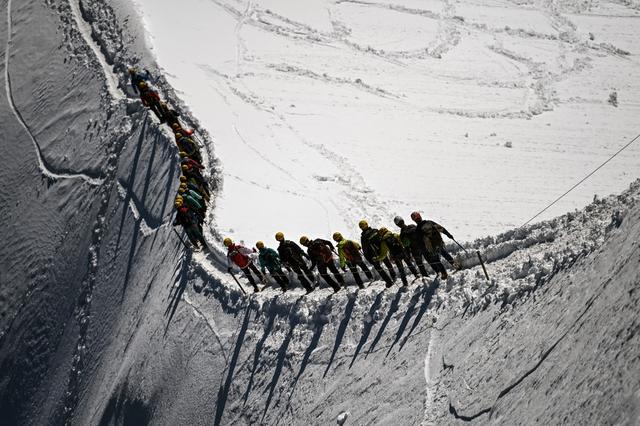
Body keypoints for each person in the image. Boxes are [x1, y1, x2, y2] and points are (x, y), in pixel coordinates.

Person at [411, 212, 460, 280]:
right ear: (420, 216)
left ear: (414, 220)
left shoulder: (418, 229)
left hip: (430, 247)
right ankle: (455, 264)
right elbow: (441, 228)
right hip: (438, 242)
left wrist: (423, 251)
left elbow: (420, 243)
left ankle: (444, 273)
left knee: (436, 259)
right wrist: (448, 235)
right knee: (444, 253)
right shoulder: (429, 222)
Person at [358, 220, 395, 287]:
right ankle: (393, 275)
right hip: (381, 250)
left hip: (373, 254)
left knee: (379, 268)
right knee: (387, 263)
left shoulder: (363, 237)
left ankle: (389, 282)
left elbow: (365, 250)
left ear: (361, 227)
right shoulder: (375, 230)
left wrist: (369, 259)